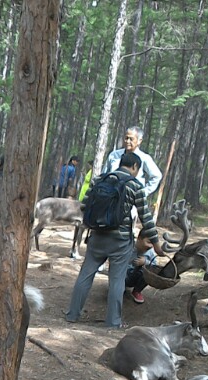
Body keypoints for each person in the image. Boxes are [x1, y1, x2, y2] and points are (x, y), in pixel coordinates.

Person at [66, 151, 164, 329]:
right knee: (117, 280)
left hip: (96, 237)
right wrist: (156, 245)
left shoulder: (99, 180)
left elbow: (84, 206)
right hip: (120, 242)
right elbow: (146, 218)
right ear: (135, 167)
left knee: (86, 274)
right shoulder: (135, 186)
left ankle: (73, 314)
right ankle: (113, 322)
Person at [103, 126, 161, 197]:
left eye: (131, 139)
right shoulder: (114, 155)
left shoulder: (144, 158)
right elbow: (104, 174)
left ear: (139, 141)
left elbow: (157, 176)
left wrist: (143, 192)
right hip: (111, 196)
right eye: (126, 138)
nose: (128, 141)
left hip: (131, 198)